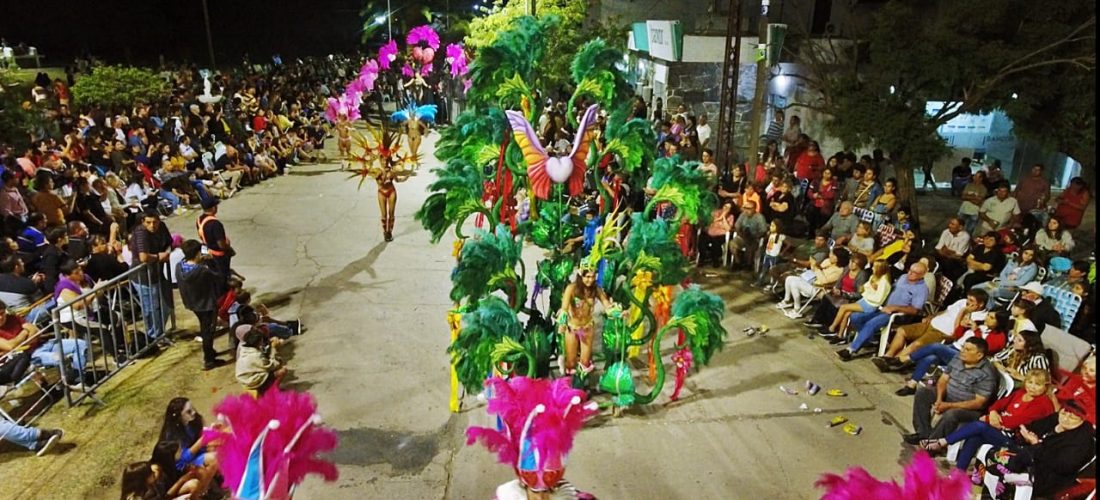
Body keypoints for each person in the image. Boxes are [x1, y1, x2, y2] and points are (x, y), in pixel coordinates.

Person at [920, 369, 1055, 471]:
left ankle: (942, 442)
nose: (1032, 387)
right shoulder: (1020, 393)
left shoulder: (1043, 404)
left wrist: (990, 419)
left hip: (1015, 439)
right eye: (1030, 382)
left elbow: (1017, 421)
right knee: (975, 435)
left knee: (980, 426)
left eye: (1037, 384)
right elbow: (997, 405)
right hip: (999, 430)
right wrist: (993, 413)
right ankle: (958, 474)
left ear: (1045, 386)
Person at [979, 402, 1094, 499]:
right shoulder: (1055, 418)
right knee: (988, 451)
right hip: (1027, 455)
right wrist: (1026, 435)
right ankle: (988, 493)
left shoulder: (1082, 439)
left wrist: (1036, 444)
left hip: (1045, 474)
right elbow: (1033, 427)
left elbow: (1063, 466)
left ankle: (997, 493)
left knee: (1001, 464)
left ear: (1082, 420)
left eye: (1072, 417)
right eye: (1064, 413)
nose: (1065, 419)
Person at [903, 337, 999, 445]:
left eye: (968, 350)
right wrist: (939, 400)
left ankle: (933, 443)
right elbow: (943, 380)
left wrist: (949, 405)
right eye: (963, 347)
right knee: (923, 392)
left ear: (979, 355)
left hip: (969, 409)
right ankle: (923, 433)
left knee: (951, 414)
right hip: (948, 396)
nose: (963, 351)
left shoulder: (987, 374)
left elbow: (978, 403)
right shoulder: (958, 358)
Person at [894, 309, 1009, 396]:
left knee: (936, 346)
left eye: (992, 318)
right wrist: (962, 327)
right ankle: (912, 385)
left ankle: (905, 359)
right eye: (988, 315)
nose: (987, 318)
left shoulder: (999, 337)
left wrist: (976, 331)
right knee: (930, 357)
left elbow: (983, 349)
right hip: (953, 347)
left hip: (965, 357)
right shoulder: (980, 325)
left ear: (999, 323)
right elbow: (957, 336)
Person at [873, 289, 990, 372]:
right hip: (932, 323)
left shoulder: (979, 318)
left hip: (942, 333)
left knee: (916, 344)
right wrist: (932, 316)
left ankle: (894, 362)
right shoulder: (962, 302)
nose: (968, 302)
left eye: (971, 301)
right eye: (968, 299)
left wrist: (963, 312)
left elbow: (957, 331)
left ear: (980, 304)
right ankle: (887, 357)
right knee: (901, 331)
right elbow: (946, 311)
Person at [835, 262, 929, 359]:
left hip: (897, 315)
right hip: (882, 307)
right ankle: (870, 338)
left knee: (871, 323)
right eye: (910, 270)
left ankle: (851, 350)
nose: (910, 273)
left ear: (922, 275)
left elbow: (915, 310)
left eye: (914, 273)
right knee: (855, 317)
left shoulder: (922, 289)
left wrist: (895, 308)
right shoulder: (903, 277)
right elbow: (890, 289)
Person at [176, 240, 229, 370]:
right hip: (206, 305)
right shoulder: (202, 270)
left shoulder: (179, 266)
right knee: (208, 331)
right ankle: (209, 359)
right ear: (198, 253)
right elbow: (220, 277)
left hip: (192, 303)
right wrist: (211, 261)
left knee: (204, 327)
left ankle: (209, 351)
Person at [557, 264, 614, 377]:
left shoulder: (596, 289)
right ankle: (570, 387)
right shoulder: (571, 288)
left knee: (585, 362)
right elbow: (564, 308)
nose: (590, 280)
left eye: (593, 277)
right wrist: (562, 324)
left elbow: (607, 304)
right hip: (572, 328)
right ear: (580, 276)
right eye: (587, 276)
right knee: (571, 362)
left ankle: (582, 384)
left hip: (587, 328)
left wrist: (617, 312)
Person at [130, 209, 173, 342]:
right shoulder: (141, 233)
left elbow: (170, 242)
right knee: (151, 308)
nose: (152, 226)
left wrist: (166, 252)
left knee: (166, 306)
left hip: (159, 273)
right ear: (143, 222)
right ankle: (153, 337)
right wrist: (159, 256)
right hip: (143, 277)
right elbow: (143, 257)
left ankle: (159, 333)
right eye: (148, 222)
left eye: (155, 222)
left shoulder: (162, 227)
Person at [827, 259, 891, 335]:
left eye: (874, 267)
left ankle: (832, 328)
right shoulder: (874, 277)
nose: (872, 268)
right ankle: (840, 335)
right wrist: (867, 289)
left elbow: (878, 299)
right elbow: (864, 287)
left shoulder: (884, 283)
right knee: (847, 313)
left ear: (880, 269)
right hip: (865, 301)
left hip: (870, 305)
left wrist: (866, 293)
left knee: (843, 307)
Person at [777, 248, 846, 318]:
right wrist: (814, 264)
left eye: (833, 255)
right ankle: (786, 300)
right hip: (812, 280)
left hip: (819, 289)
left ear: (838, 258)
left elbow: (824, 281)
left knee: (794, 283)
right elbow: (815, 269)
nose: (830, 255)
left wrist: (816, 268)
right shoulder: (828, 261)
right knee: (789, 278)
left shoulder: (839, 271)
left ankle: (797, 309)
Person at [974, 246, 1038, 308]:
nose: (1027, 256)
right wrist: (1002, 283)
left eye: (1031, 255)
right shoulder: (1013, 260)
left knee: (989, 291)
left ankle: (988, 308)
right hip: (1000, 283)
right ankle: (975, 305)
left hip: (1013, 289)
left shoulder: (1032, 268)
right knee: (976, 288)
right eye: (1026, 253)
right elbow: (1002, 274)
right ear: (1022, 252)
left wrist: (1004, 283)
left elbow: (1020, 283)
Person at [235, 324, 287, 395]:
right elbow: (271, 365)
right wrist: (274, 349)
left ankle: (268, 389)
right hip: (252, 380)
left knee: (277, 361)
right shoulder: (255, 355)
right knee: (283, 370)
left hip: (247, 377)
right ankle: (272, 392)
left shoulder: (244, 348)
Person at [196, 197, 234, 280]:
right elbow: (221, 245)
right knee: (223, 276)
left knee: (212, 273)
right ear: (213, 208)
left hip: (205, 250)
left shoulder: (199, 220)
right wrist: (228, 247)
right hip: (217, 254)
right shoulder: (215, 224)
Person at [1052, 354, 1095, 426]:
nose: (1086, 372)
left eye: (1091, 370)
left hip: (1078, 423)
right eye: (1084, 368)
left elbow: (1090, 417)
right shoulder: (1076, 379)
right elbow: (1061, 397)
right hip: (1060, 411)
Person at [728, 201, 767, 271]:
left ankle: (748, 264)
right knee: (732, 244)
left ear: (754, 209)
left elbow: (763, 231)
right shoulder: (742, 215)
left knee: (751, 246)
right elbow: (737, 226)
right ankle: (737, 262)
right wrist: (741, 234)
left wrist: (754, 236)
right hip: (743, 236)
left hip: (754, 238)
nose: (746, 210)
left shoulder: (759, 217)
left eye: (749, 208)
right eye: (745, 208)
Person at [697, 201, 734, 268]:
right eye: (725, 206)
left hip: (720, 235)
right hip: (709, 232)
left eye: (728, 208)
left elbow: (728, 228)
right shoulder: (716, 212)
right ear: (722, 206)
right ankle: (701, 259)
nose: (726, 209)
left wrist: (724, 218)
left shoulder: (731, 216)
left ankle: (715, 261)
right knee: (702, 238)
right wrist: (720, 217)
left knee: (715, 242)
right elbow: (711, 221)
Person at [805, 167, 839, 237]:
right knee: (812, 221)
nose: (826, 175)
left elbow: (832, 194)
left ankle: (820, 237)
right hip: (814, 205)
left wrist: (820, 195)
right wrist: (813, 195)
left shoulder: (834, 183)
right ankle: (810, 235)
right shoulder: (816, 181)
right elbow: (809, 192)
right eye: (825, 173)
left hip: (826, 207)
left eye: (828, 173)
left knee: (822, 223)